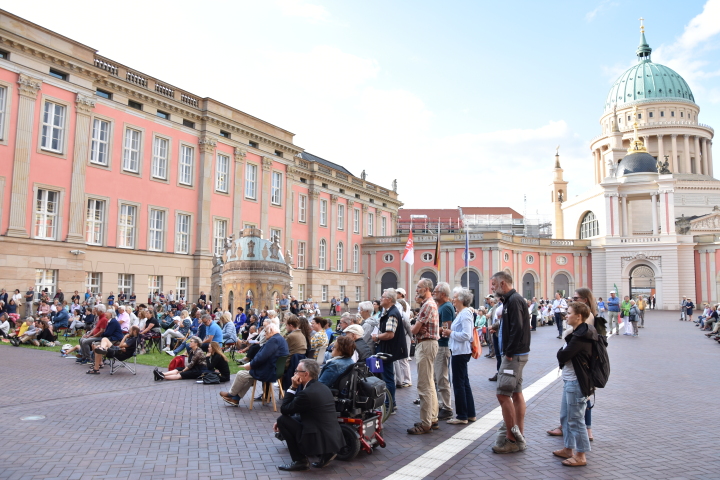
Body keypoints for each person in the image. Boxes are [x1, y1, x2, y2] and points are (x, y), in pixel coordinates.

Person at [274, 359, 346, 471]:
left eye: (297, 371)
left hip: (317, 438)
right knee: (286, 420)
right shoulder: (322, 387)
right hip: (332, 437)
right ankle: (327, 453)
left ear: (306, 374)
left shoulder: (306, 393)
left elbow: (285, 409)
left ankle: (300, 461)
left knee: (282, 420)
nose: (294, 374)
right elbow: (311, 414)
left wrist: (292, 387)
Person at [491, 271, 530, 454]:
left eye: (494, 285)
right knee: (516, 393)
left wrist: (508, 352)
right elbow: (515, 325)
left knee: (503, 394)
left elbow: (518, 327)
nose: (492, 288)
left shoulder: (513, 301)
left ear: (503, 284)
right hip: (518, 354)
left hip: (513, 356)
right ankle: (518, 433)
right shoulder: (512, 300)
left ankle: (512, 439)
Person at [553, 302, 596, 467]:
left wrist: (560, 352)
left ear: (578, 316)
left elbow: (563, 356)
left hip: (576, 382)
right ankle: (568, 447)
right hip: (570, 381)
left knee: (576, 419)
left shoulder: (580, 336)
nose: (566, 315)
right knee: (566, 416)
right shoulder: (578, 332)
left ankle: (581, 455)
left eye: (569, 313)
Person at [219, 323, 289, 405]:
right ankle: (235, 399)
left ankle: (231, 394)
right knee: (249, 376)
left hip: (269, 371)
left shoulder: (273, 340)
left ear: (272, 331)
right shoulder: (280, 339)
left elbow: (261, 357)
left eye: (266, 332)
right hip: (275, 370)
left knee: (241, 374)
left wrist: (251, 365)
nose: (264, 334)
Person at [440, 287, 476, 425]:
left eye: (455, 297)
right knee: (464, 382)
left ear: (461, 299)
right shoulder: (462, 313)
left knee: (459, 383)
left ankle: (462, 415)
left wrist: (450, 333)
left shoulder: (465, 314)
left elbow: (467, 335)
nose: (453, 300)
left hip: (460, 352)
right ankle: (470, 413)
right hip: (459, 351)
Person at [407, 279, 438, 435]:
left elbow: (415, 329)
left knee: (424, 385)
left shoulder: (427, 305)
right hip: (429, 344)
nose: (416, 290)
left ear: (426, 289)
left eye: (418, 287)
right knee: (430, 383)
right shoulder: (431, 303)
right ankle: (432, 418)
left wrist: (408, 325)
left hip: (426, 344)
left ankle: (426, 423)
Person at [372, 288, 408, 419]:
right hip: (387, 349)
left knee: (387, 378)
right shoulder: (388, 311)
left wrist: (377, 337)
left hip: (387, 350)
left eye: (382, 297)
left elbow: (389, 334)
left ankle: (389, 405)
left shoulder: (392, 313)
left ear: (389, 299)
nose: (380, 299)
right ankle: (392, 403)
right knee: (387, 376)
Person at [432, 282, 454, 421]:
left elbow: (447, 328)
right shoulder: (442, 306)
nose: (434, 293)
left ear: (443, 294)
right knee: (437, 376)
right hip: (438, 345)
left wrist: (431, 329)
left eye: (436, 291)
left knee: (442, 377)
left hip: (443, 346)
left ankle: (446, 406)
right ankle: (440, 403)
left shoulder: (446, 307)